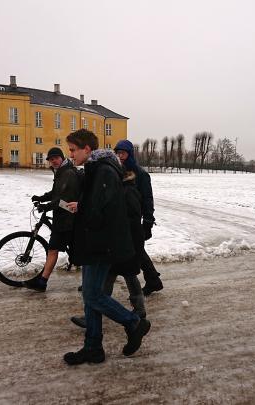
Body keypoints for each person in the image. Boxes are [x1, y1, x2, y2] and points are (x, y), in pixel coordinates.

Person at [63, 129, 151, 365]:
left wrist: (83, 214)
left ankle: (134, 323)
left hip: (102, 244)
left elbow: (102, 212)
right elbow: (98, 203)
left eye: (73, 150)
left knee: (93, 295)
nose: (70, 154)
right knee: (90, 298)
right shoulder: (98, 169)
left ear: (87, 149)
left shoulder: (103, 170)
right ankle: (93, 347)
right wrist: (80, 206)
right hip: (96, 242)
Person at [70, 164, 147, 327]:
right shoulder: (118, 189)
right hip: (117, 241)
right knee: (107, 279)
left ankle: (139, 310)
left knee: (129, 276)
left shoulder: (128, 191)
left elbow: (133, 218)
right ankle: (91, 314)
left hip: (129, 241)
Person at [25, 147, 81, 292]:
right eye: (50, 159)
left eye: (55, 158)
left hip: (70, 218)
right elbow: (56, 192)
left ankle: (94, 282)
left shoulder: (68, 173)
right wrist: (42, 198)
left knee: (75, 253)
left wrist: (47, 206)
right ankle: (42, 282)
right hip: (62, 218)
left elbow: (64, 199)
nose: (53, 161)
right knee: (54, 249)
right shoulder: (61, 172)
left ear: (61, 158)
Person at [113, 140, 163, 295]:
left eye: (123, 153)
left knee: (135, 250)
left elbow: (148, 199)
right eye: (118, 153)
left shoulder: (141, 174)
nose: (120, 156)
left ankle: (151, 280)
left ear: (130, 154)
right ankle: (153, 279)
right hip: (121, 217)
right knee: (136, 250)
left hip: (134, 219)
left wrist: (147, 222)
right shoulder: (117, 171)